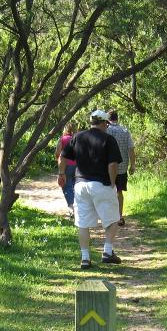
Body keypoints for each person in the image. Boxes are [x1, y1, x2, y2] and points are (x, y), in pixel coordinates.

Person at [58, 110, 122, 269]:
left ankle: (85, 258)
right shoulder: (108, 139)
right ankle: (107, 251)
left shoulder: (78, 137)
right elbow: (112, 165)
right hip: (101, 184)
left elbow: (63, 157)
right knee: (114, 218)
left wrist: (61, 174)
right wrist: (113, 183)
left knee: (82, 223)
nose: (107, 126)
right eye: (106, 124)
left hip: (80, 185)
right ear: (104, 123)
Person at [105, 110, 135, 226]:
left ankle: (109, 217)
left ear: (108, 119)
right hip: (122, 167)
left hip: (107, 167)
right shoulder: (125, 131)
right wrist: (133, 164)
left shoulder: (106, 130)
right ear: (117, 118)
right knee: (119, 191)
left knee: (108, 191)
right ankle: (119, 216)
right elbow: (131, 149)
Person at [55, 122, 77, 217]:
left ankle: (71, 208)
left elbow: (57, 152)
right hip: (77, 166)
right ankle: (78, 207)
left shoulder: (62, 139)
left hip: (65, 166)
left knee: (66, 186)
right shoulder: (77, 139)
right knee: (75, 186)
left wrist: (58, 159)